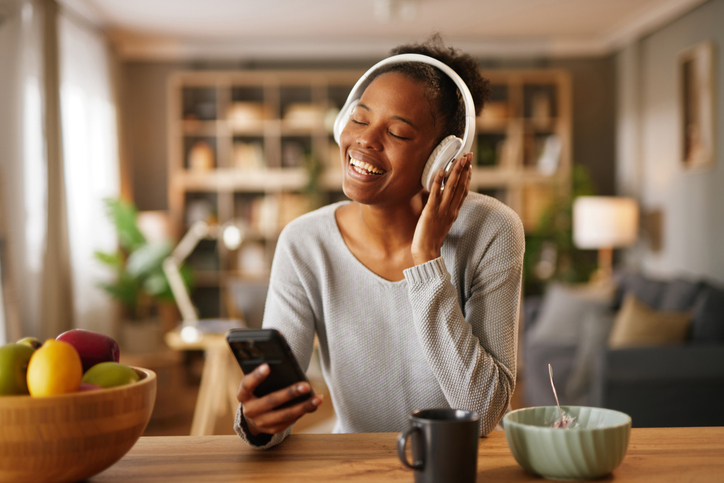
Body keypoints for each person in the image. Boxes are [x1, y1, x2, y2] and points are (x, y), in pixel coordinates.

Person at [234, 35, 525, 449]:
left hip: (457, 464)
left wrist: (426, 259)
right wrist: (259, 420)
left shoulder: (492, 231)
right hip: (356, 465)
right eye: (359, 118)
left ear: (440, 159)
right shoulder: (304, 243)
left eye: (399, 133)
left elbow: (482, 414)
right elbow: (274, 413)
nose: (366, 140)